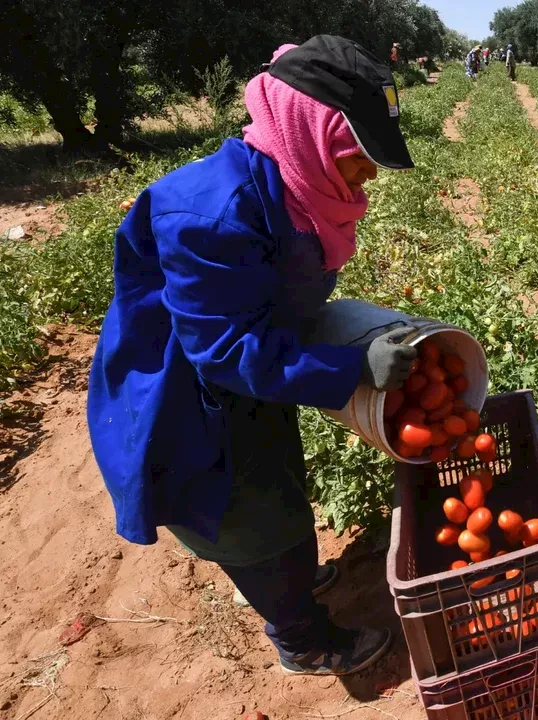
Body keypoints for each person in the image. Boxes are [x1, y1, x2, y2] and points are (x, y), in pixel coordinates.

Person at [87, 35, 419, 677]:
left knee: (278, 489)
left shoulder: (290, 190)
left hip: (254, 378)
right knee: (248, 519)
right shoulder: (213, 215)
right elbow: (223, 350)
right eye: (359, 156)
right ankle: (303, 639)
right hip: (189, 398)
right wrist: (351, 369)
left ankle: (290, 579)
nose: (368, 175)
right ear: (310, 134)